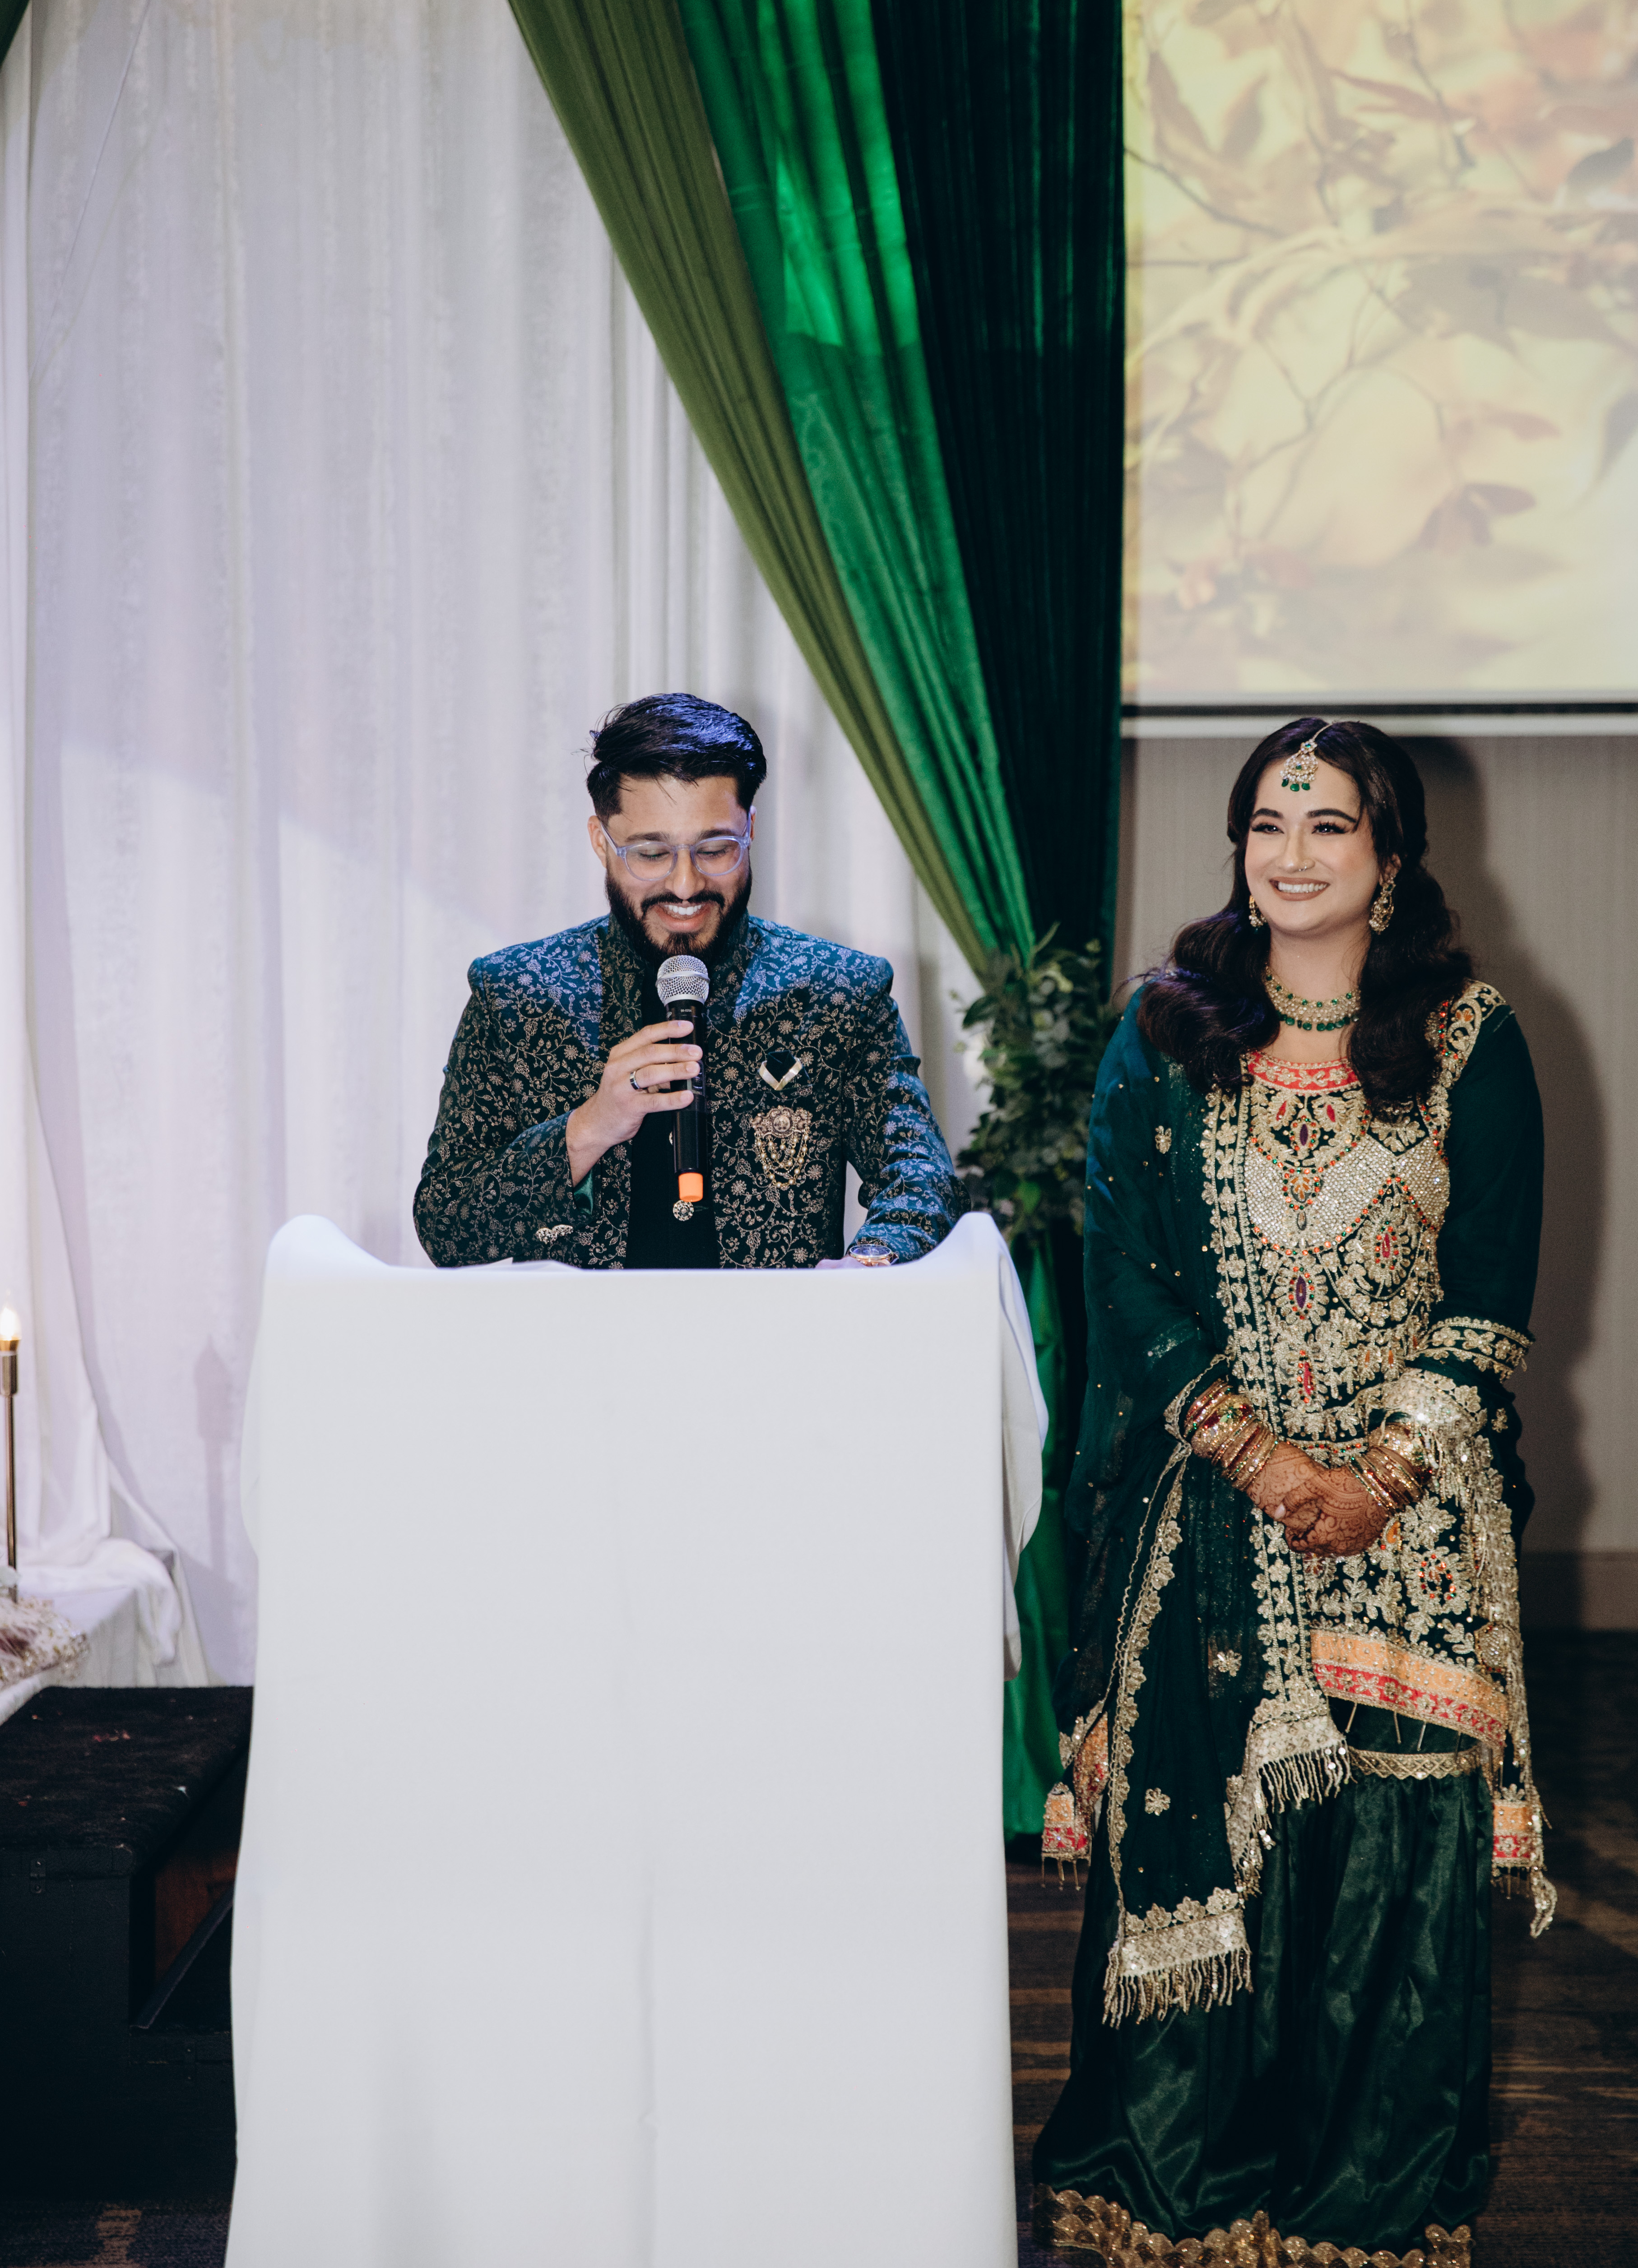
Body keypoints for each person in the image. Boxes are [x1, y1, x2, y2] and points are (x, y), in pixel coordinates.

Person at [1032, 718, 1551, 2266]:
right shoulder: (1168, 1032)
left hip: (1414, 1526)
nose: (1293, 853)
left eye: (1329, 825)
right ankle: (1183, 2193)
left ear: (1390, 856)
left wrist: (1378, 1475)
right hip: (1211, 1506)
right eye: (1268, 822)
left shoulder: (1467, 1038)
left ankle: (1361, 2204)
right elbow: (1119, 1269)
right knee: (1223, 1857)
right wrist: (1257, 1454)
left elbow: (1492, 1288)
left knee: (1389, 1873)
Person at [414, 691, 963, 1273]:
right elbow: (445, 1226)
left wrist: (869, 1263)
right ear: (601, 841)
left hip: (775, 1331)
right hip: (577, 1332)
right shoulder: (518, 995)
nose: (685, 884)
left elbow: (921, 1179)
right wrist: (587, 1128)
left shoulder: (837, 993)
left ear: (750, 830)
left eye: (716, 849)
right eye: (651, 853)